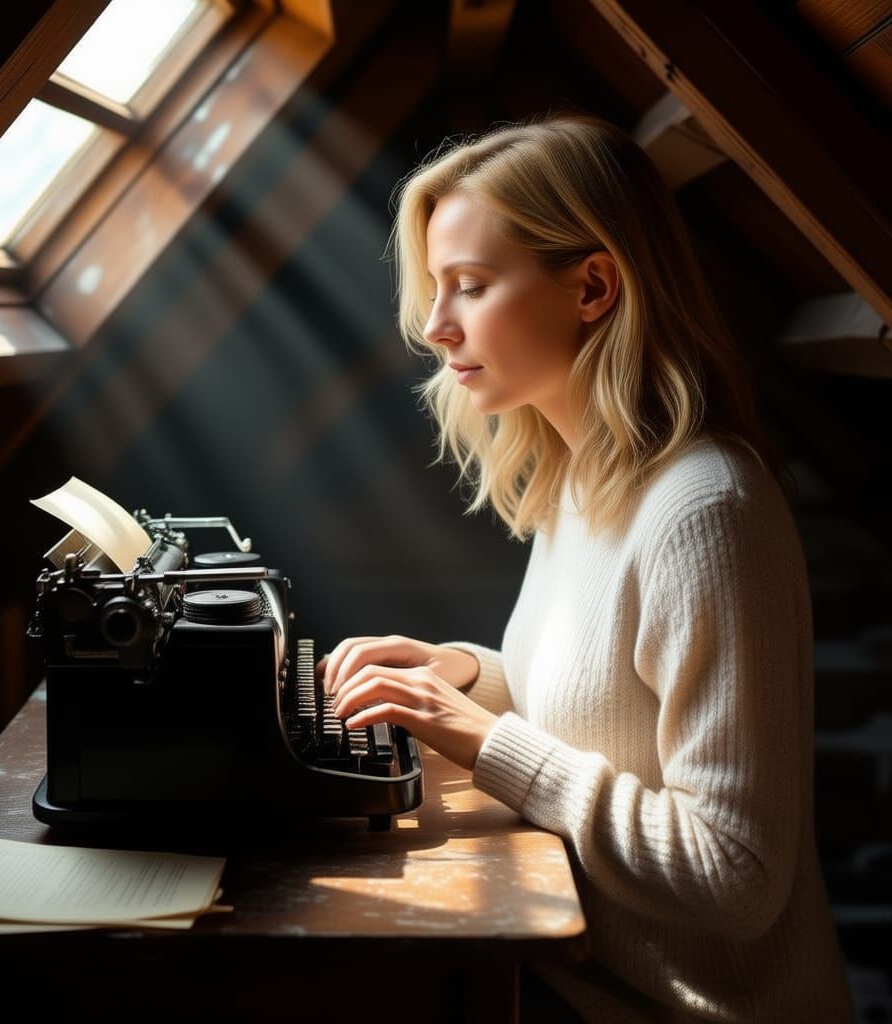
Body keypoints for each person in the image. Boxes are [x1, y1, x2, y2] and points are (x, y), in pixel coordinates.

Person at [317, 110, 855, 1021]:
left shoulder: (704, 509)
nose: (436, 329)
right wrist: (463, 678)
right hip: (582, 984)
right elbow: (603, 721)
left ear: (595, 287)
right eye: (437, 291)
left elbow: (736, 874)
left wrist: (486, 743)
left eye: (470, 286)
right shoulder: (584, 478)